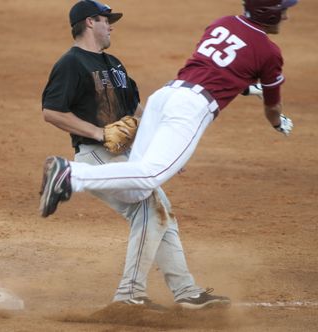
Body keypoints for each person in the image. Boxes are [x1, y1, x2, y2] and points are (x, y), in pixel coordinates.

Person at [40, 0, 232, 310]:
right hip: (96, 157)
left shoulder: (114, 64)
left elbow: (139, 110)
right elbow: (52, 112)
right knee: (148, 208)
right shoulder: (71, 63)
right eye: (106, 19)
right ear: (89, 23)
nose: (111, 25)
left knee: (162, 214)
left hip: (128, 157)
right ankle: (129, 293)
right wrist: (99, 133)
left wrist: (164, 146)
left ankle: (186, 293)